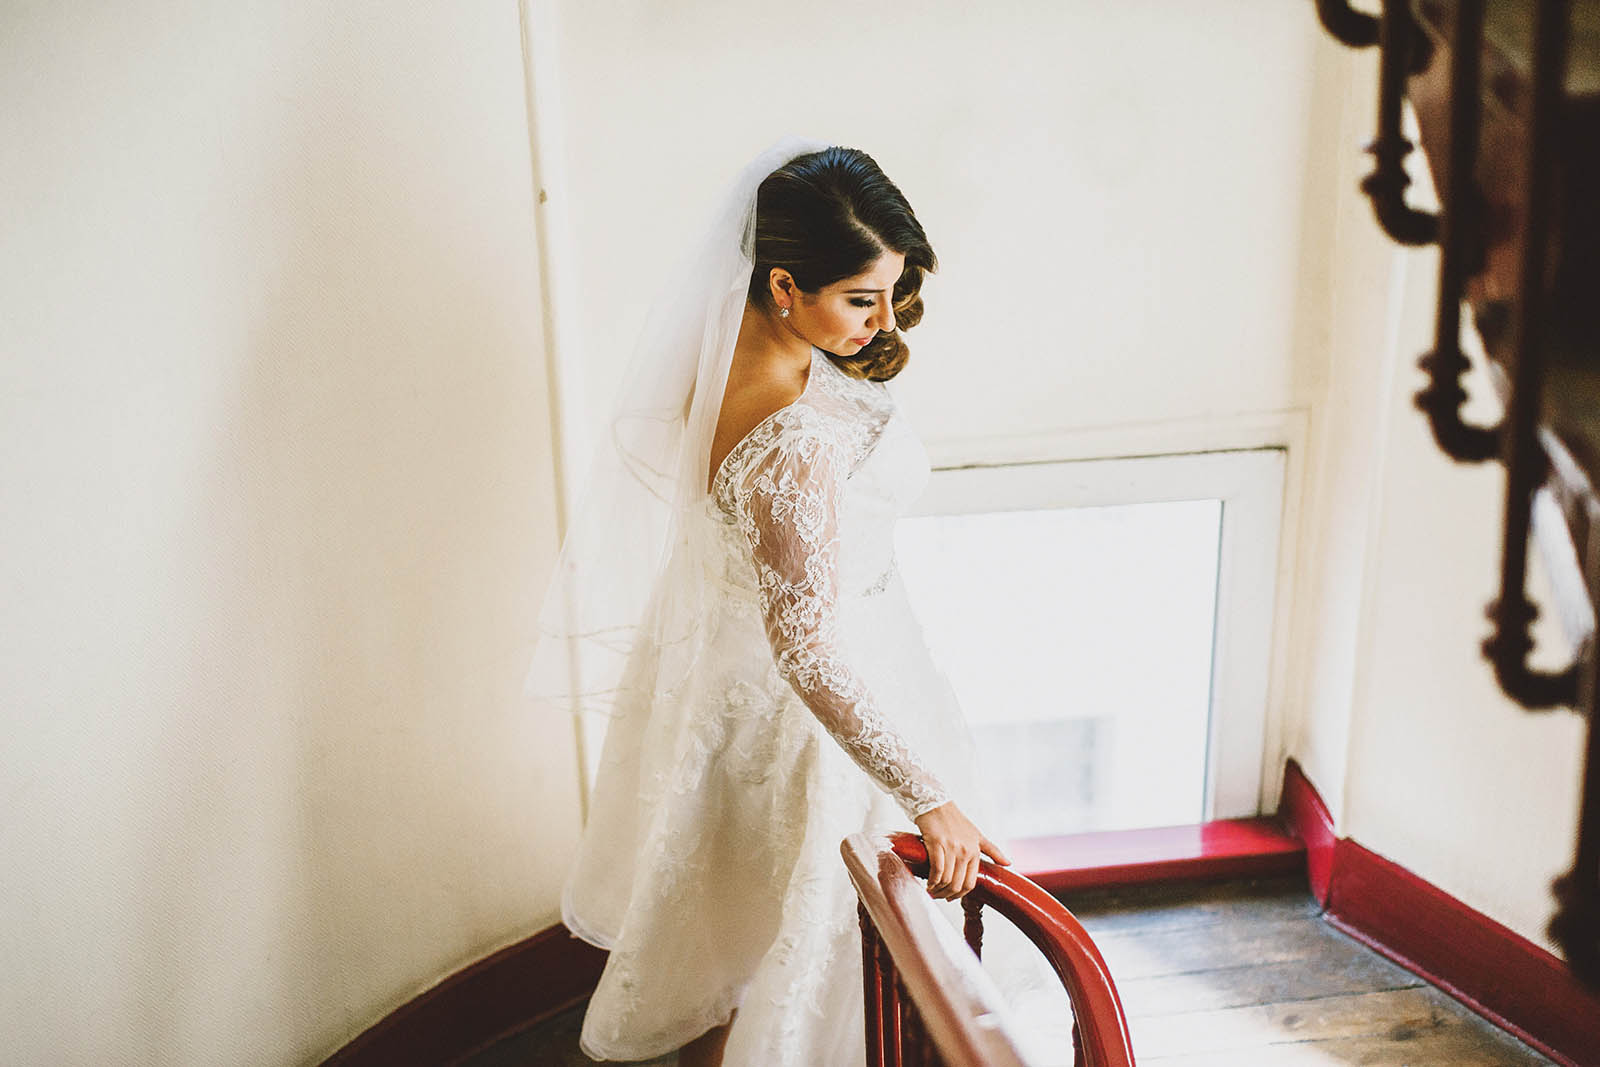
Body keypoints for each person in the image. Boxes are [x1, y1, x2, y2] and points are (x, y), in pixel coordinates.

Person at [525, 139, 1054, 1066]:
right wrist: (926, 794)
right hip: (821, 722)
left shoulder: (724, 340)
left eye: (890, 291)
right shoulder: (794, 441)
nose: (886, 320)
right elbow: (809, 647)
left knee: (746, 951)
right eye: (861, 298)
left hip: (733, 695)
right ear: (782, 283)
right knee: (830, 964)